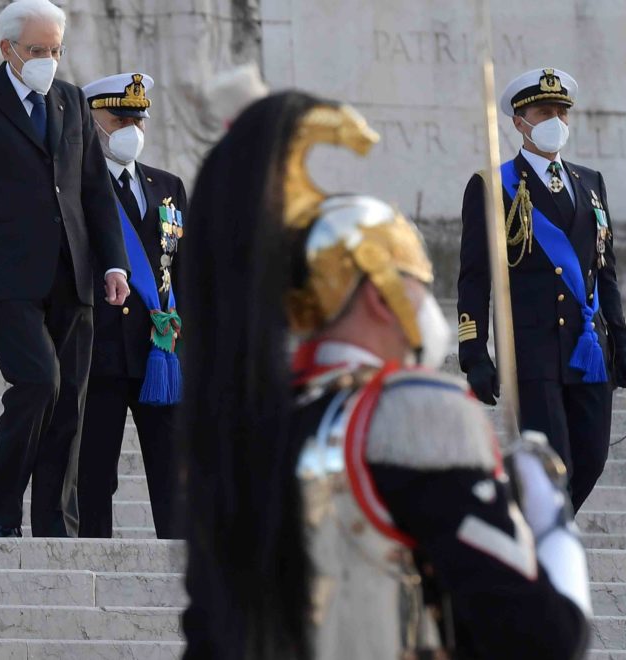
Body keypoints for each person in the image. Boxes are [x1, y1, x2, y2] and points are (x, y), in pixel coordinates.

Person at [179, 92, 591, 659]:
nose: (428, 301)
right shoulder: (419, 412)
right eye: (420, 281)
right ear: (379, 296)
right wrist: (550, 524)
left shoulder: (254, 419)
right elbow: (543, 638)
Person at [0, 0, 131, 538]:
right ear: (7, 49)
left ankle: (55, 526)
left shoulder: (71, 100)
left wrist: (114, 264)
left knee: (70, 406)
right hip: (7, 280)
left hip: (74, 275)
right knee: (39, 383)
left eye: (55, 50)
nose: (48, 60)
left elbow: (95, 190)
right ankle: (0, 510)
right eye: (37, 50)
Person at [457, 67, 626, 511]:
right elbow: (475, 277)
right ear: (520, 122)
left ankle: (538, 531)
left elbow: (605, 270)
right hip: (532, 350)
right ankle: (550, 543)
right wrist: (474, 353)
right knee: (554, 465)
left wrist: (622, 344)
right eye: (544, 112)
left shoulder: (590, 183)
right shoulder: (492, 185)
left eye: (561, 111)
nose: (555, 120)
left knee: (591, 459)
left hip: (588, 349)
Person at [77, 72, 185, 539]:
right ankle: (92, 555)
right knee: (95, 470)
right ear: (92, 121)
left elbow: (181, 268)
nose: (131, 130)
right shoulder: (77, 184)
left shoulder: (167, 186)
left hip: (159, 352)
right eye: (119, 120)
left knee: (172, 467)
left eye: (138, 121)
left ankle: (179, 557)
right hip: (100, 348)